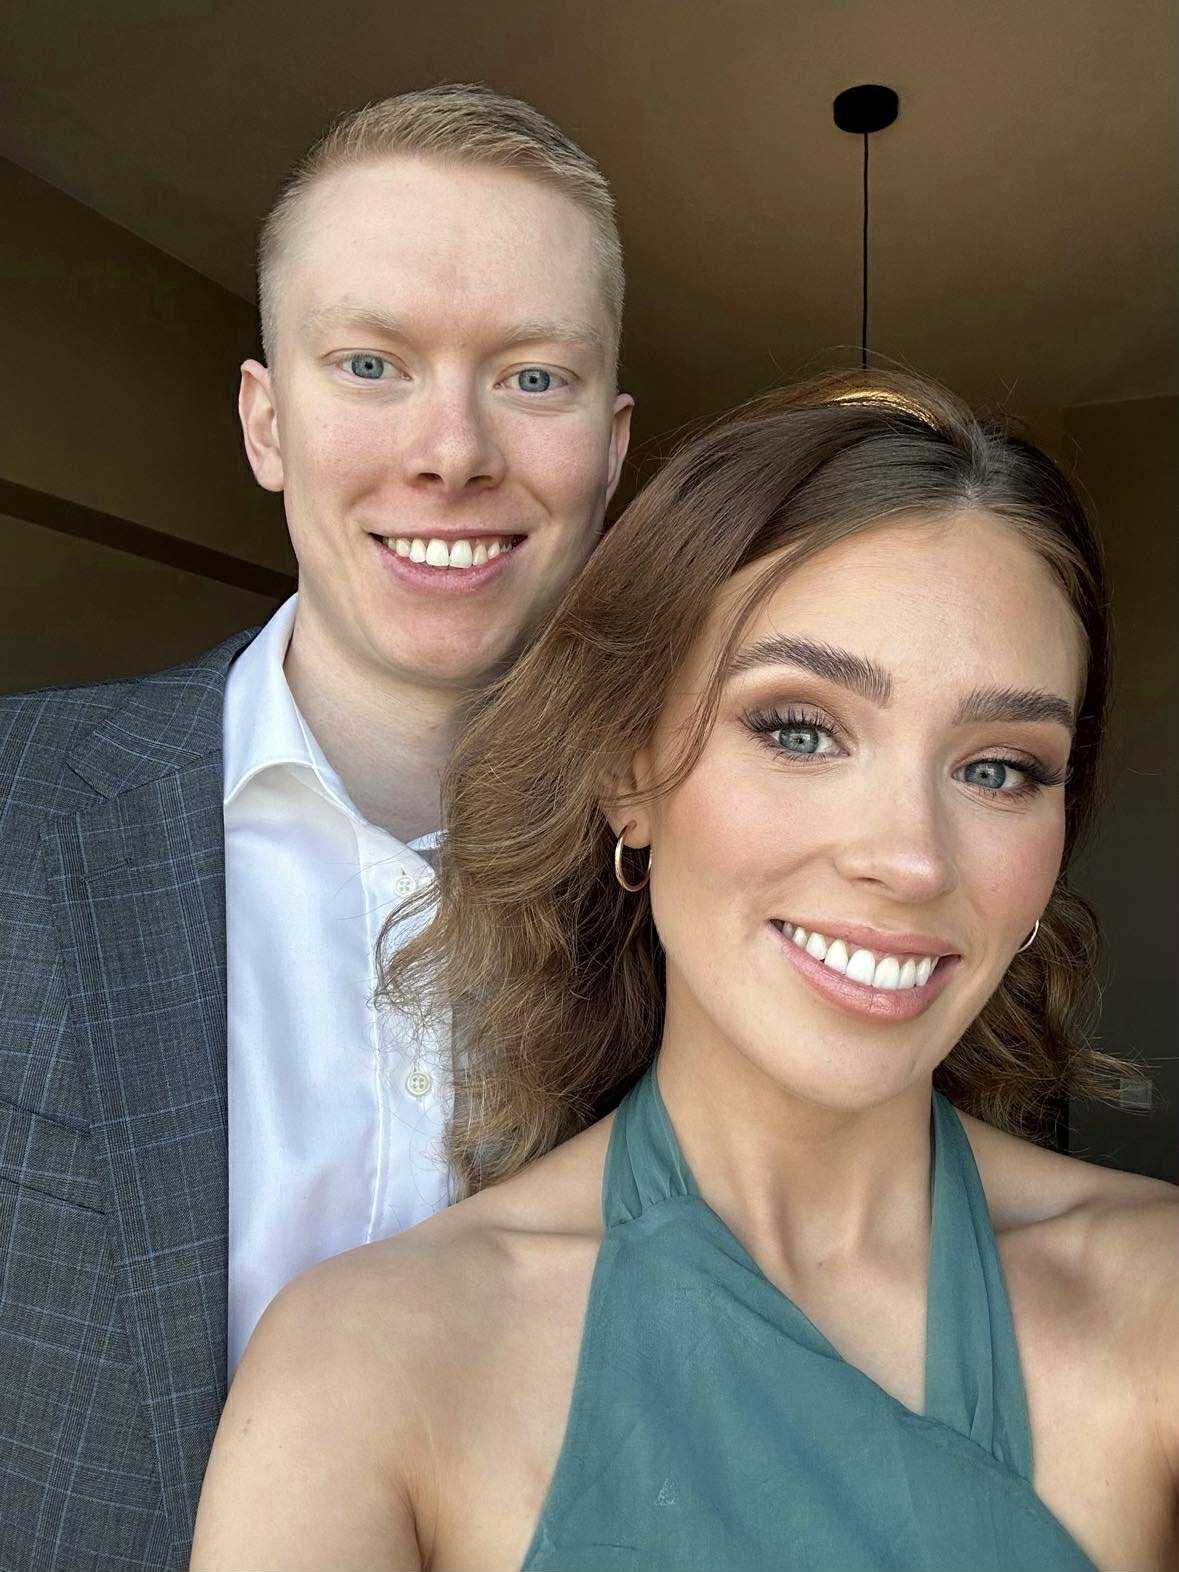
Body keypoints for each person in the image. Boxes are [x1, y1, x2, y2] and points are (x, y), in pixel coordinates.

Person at [192, 370, 1177, 1572]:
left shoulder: (1157, 1301)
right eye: (799, 730)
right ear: (627, 769)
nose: (912, 860)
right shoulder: (369, 1362)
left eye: (999, 769)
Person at [0, 85, 631, 1570]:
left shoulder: (725, 879)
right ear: (265, 421)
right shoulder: (16, 803)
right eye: (369, 364)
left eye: (532, 377)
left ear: (611, 447)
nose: (451, 451)